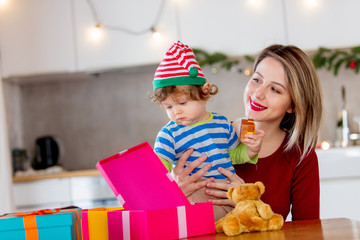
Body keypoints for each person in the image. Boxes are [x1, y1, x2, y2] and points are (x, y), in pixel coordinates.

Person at [171, 44, 324, 221]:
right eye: (257, 80)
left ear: (293, 105)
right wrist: (173, 191)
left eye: (275, 89)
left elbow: (308, 233)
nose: (258, 93)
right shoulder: (207, 135)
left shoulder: (301, 158)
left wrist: (248, 205)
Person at [150, 41, 264, 220]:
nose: (176, 111)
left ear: (204, 92)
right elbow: (157, 171)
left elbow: (233, 155)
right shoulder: (168, 134)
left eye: (182, 103)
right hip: (195, 191)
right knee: (208, 226)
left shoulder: (223, 123)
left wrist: (252, 149)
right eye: (168, 107)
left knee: (242, 221)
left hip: (225, 189)